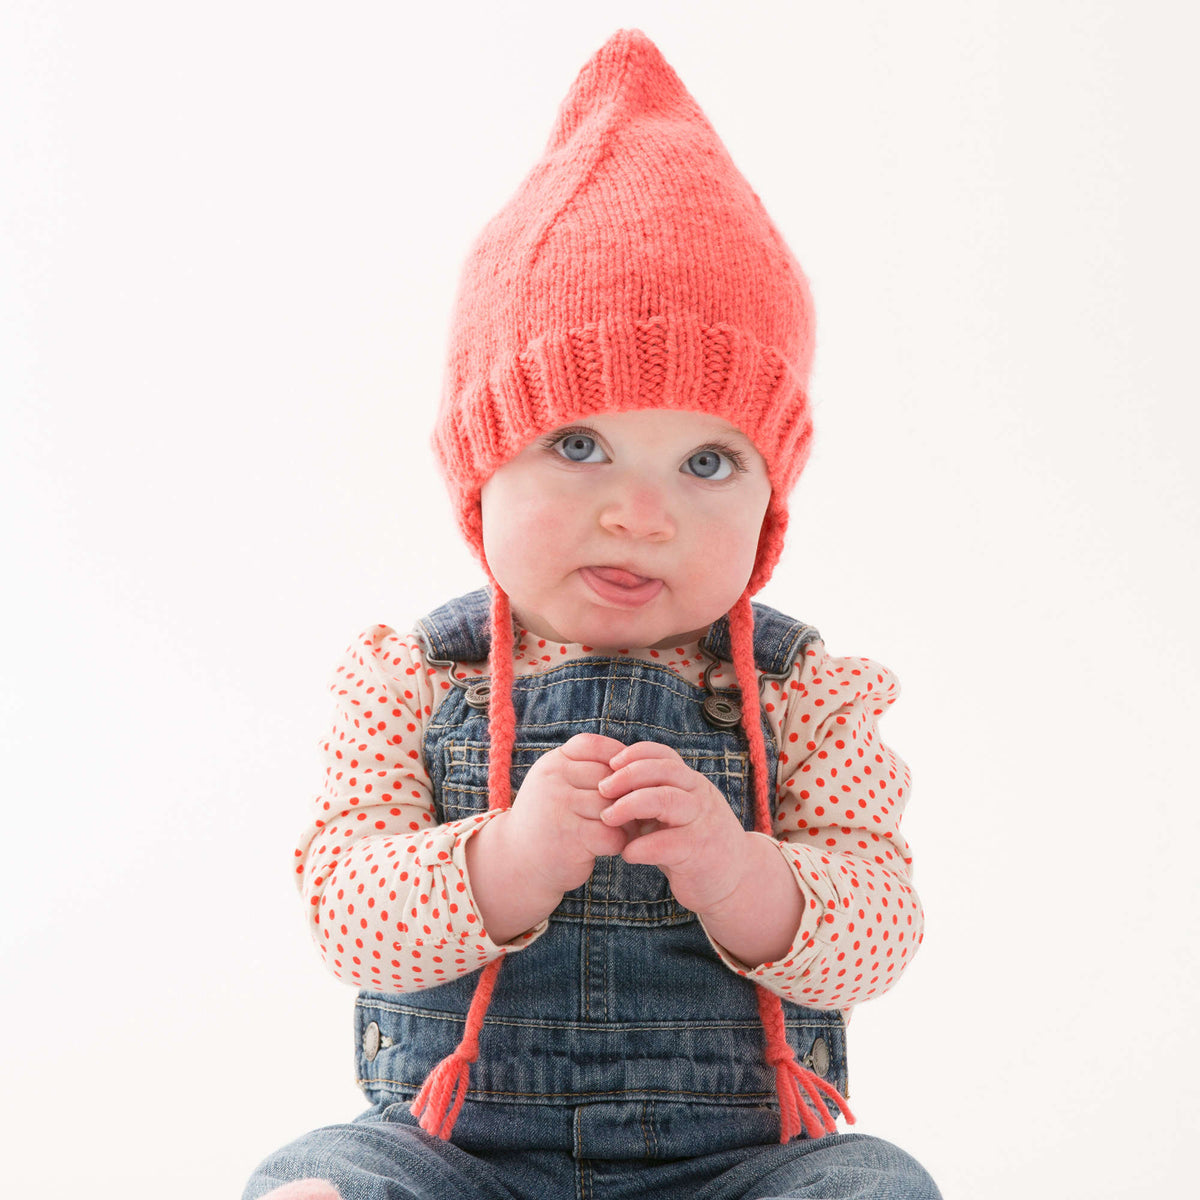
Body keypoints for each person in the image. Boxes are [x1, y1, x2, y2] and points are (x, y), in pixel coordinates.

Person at [244, 28, 940, 1200]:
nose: (639, 514)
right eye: (580, 445)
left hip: (740, 1164)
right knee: (325, 1177)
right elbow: (343, 916)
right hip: (456, 1152)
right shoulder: (414, 675)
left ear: (773, 498)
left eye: (707, 464)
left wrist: (744, 874)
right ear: (480, 465)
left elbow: (879, 929)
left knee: (874, 1181)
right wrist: (504, 863)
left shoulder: (804, 692)